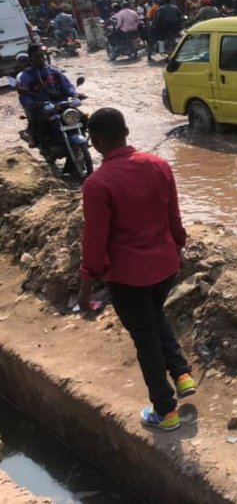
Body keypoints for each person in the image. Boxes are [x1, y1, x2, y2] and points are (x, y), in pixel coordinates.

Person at [78, 108, 196, 432]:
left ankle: (166, 411)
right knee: (156, 317)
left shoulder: (97, 184)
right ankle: (183, 373)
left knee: (145, 338)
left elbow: (95, 242)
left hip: (129, 276)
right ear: (127, 130)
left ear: (95, 141)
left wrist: (86, 285)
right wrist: (178, 247)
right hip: (164, 266)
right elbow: (174, 217)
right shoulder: (158, 165)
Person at [17, 44, 80, 148]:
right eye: (37, 57)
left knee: (81, 116)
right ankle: (41, 142)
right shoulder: (24, 76)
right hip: (43, 107)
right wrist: (31, 104)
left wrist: (74, 94)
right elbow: (24, 96)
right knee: (42, 120)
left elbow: (67, 85)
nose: (41, 59)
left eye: (43, 56)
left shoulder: (54, 71)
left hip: (61, 103)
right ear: (30, 59)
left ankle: (81, 135)